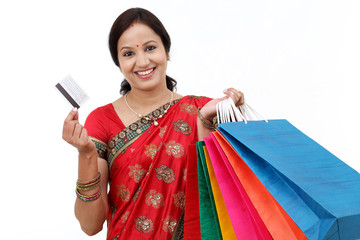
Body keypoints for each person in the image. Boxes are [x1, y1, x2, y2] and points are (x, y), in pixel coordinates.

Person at [62, 7, 244, 240]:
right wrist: (85, 154)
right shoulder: (102, 119)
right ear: (118, 63)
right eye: (128, 54)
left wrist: (222, 117)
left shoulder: (202, 110)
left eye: (150, 48)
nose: (142, 61)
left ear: (167, 51)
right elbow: (91, 225)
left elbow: (225, 200)